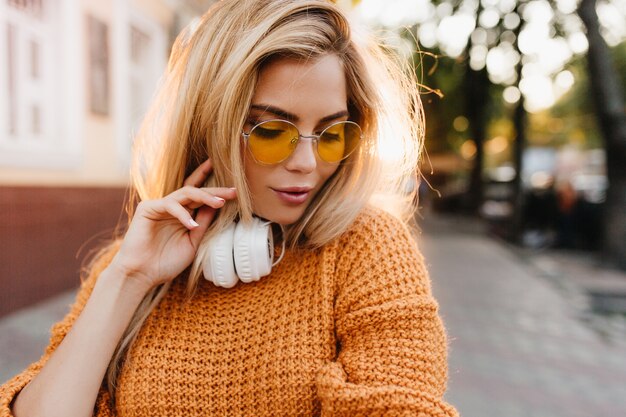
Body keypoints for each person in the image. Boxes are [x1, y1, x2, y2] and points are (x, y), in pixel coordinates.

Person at [0, 1, 459, 416]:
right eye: (271, 132)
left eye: (332, 134)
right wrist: (129, 278)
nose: (306, 164)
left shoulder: (365, 248)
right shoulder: (125, 269)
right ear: (210, 127)